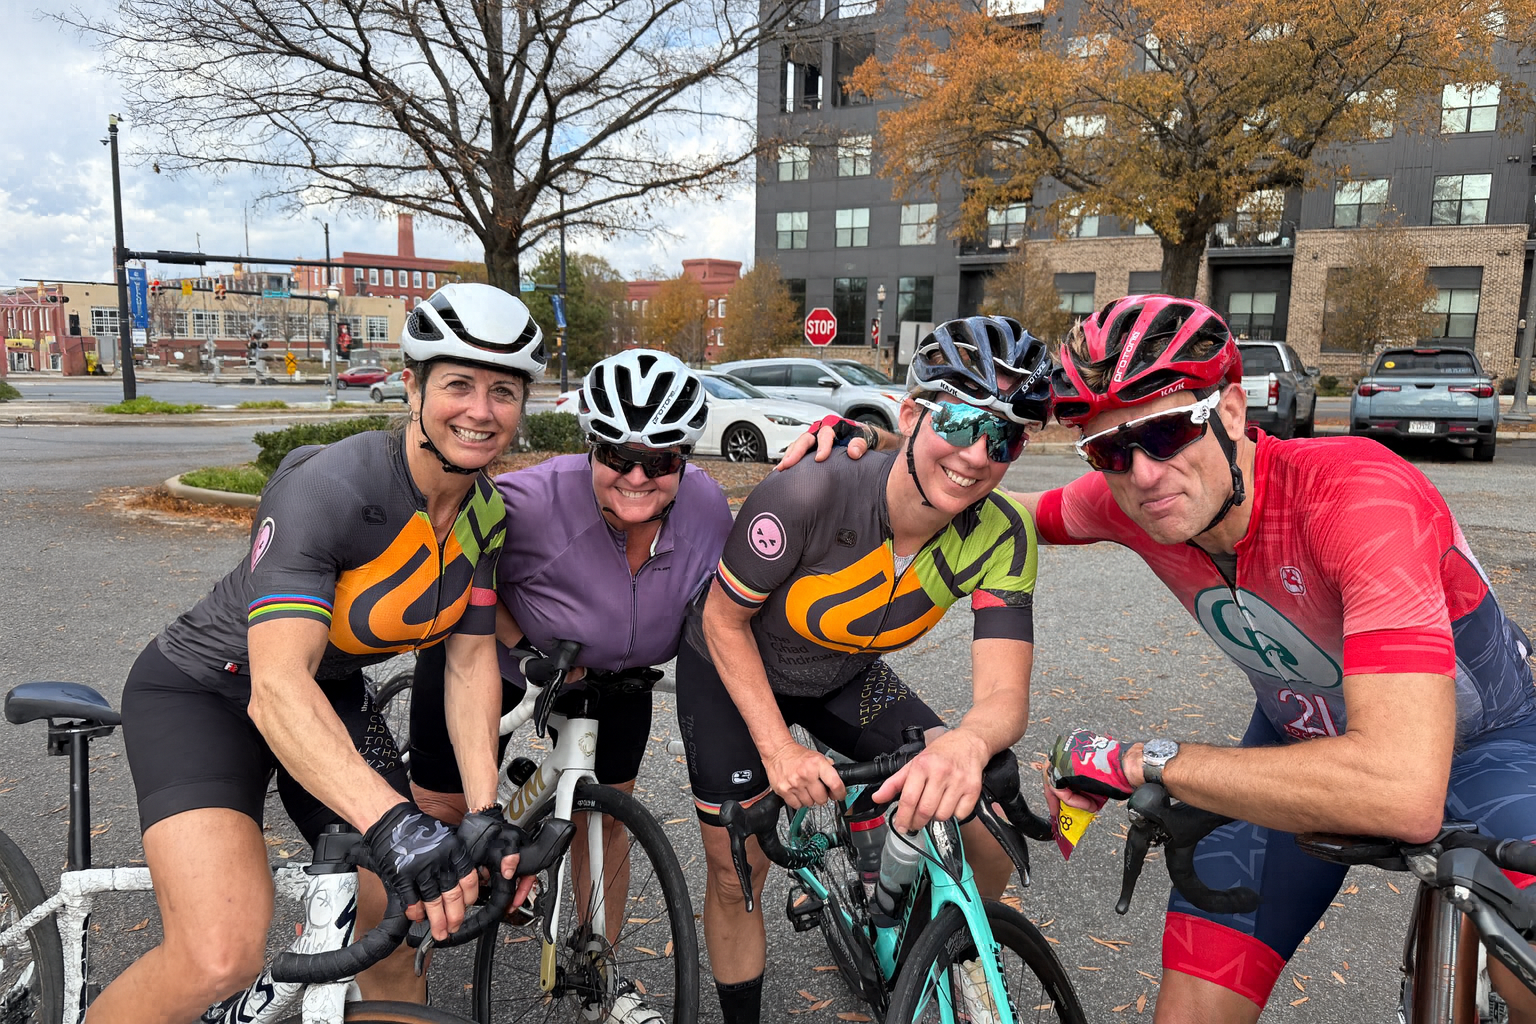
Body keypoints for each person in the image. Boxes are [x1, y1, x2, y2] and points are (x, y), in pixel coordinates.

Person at [788, 294, 1536, 1022]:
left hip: (1491, 748)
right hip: (1295, 746)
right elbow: (988, 507)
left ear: (1232, 412)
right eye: (1111, 449)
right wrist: (876, 457)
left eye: (1170, 430)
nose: (1145, 473)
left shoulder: (1358, 497)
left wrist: (1143, 761)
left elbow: (1401, 789)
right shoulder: (1132, 502)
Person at [94, 283, 547, 1024]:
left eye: (503, 391)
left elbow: (469, 664)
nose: (481, 409)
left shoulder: (485, 513)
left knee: (401, 922)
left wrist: (483, 809)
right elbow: (275, 688)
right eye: (459, 384)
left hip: (329, 693)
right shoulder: (331, 487)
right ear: (412, 387)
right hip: (209, 691)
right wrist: (395, 824)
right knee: (219, 956)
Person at [680, 316, 1053, 1024]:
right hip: (733, 668)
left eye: (1004, 436)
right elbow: (723, 621)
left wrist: (969, 745)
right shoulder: (810, 491)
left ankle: (929, 950)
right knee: (738, 873)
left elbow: (1005, 694)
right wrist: (778, 750)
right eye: (960, 420)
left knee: (988, 825)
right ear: (910, 415)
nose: (977, 454)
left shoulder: (1003, 533)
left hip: (843, 674)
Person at [408, 350, 733, 1022]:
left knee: (604, 820)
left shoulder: (707, 507)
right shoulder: (528, 503)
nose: (637, 476)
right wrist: (520, 646)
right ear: (592, 447)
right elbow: (457, 576)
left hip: (620, 682)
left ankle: (598, 966)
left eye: (660, 460)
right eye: (617, 455)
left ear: (685, 459)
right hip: (500, 667)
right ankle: (401, 974)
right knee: (440, 818)